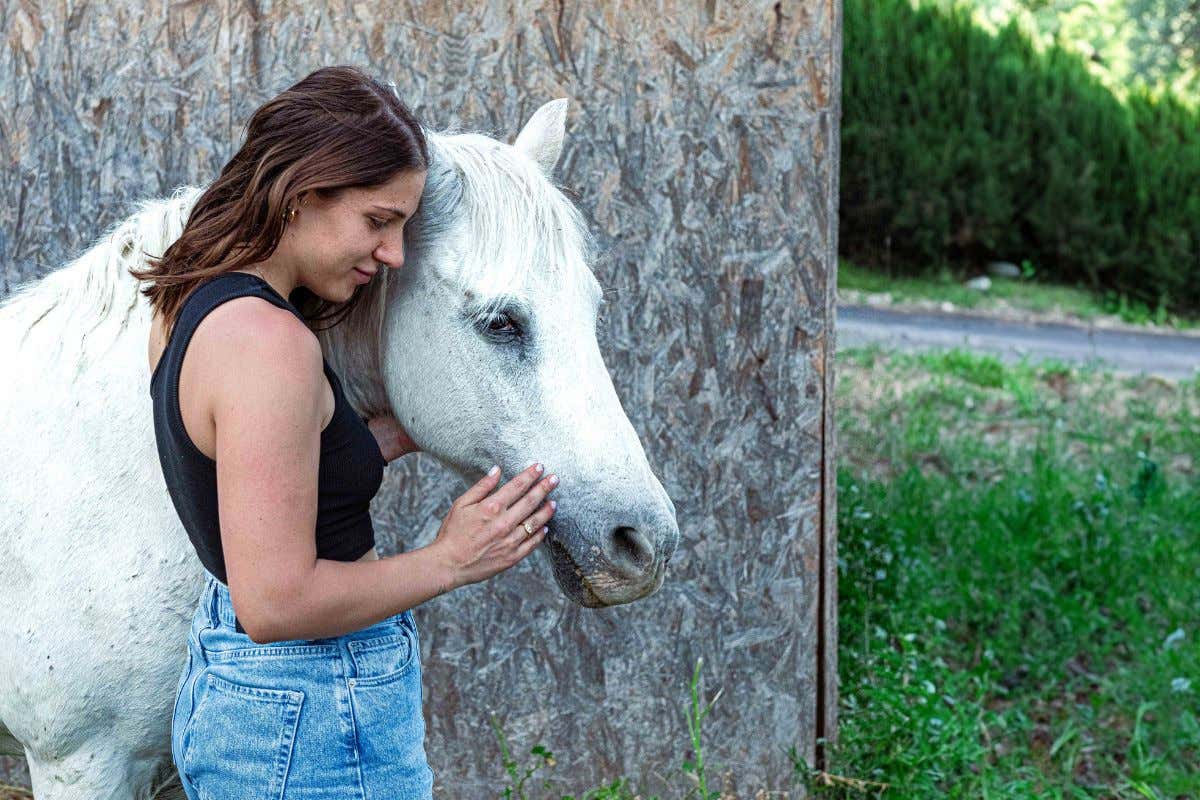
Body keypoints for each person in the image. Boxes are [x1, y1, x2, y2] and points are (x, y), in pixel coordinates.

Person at [133, 65, 558, 800]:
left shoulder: (191, 303)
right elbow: (276, 603)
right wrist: (451, 559)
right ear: (304, 193)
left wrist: (386, 439)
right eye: (378, 221)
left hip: (257, 694)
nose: (393, 253)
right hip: (314, 710)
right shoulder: (270, 345)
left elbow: (255, 466)